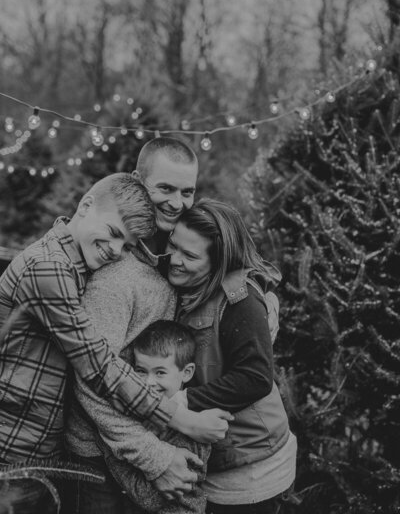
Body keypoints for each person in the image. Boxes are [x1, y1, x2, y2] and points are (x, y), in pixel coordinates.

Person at [64, 138, 231, 513]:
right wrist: (156, 458)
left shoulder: (171, 255)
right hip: (97, 463)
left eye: (187, 191)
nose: (177, 202)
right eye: (165, 189)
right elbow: (91, 383)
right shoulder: (116, 277)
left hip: (138, 449)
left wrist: (258, 290)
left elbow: (227, 253)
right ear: (139, 181)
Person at [167, 199, 297, 514]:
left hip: (251, 471)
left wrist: (182, 402)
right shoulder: (193, 287)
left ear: (219, 262)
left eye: (190, 255)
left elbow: (255, 379)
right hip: (223, 462)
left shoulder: (240, 303)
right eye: (173, 246)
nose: (174, 259)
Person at [101, 320, 211, 514]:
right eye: (141, 371)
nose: (147, 382)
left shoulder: (189, 428)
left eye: (160, 372)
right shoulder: (147, 413)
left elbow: (148, 497)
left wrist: (110, 453)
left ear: (187, 373)